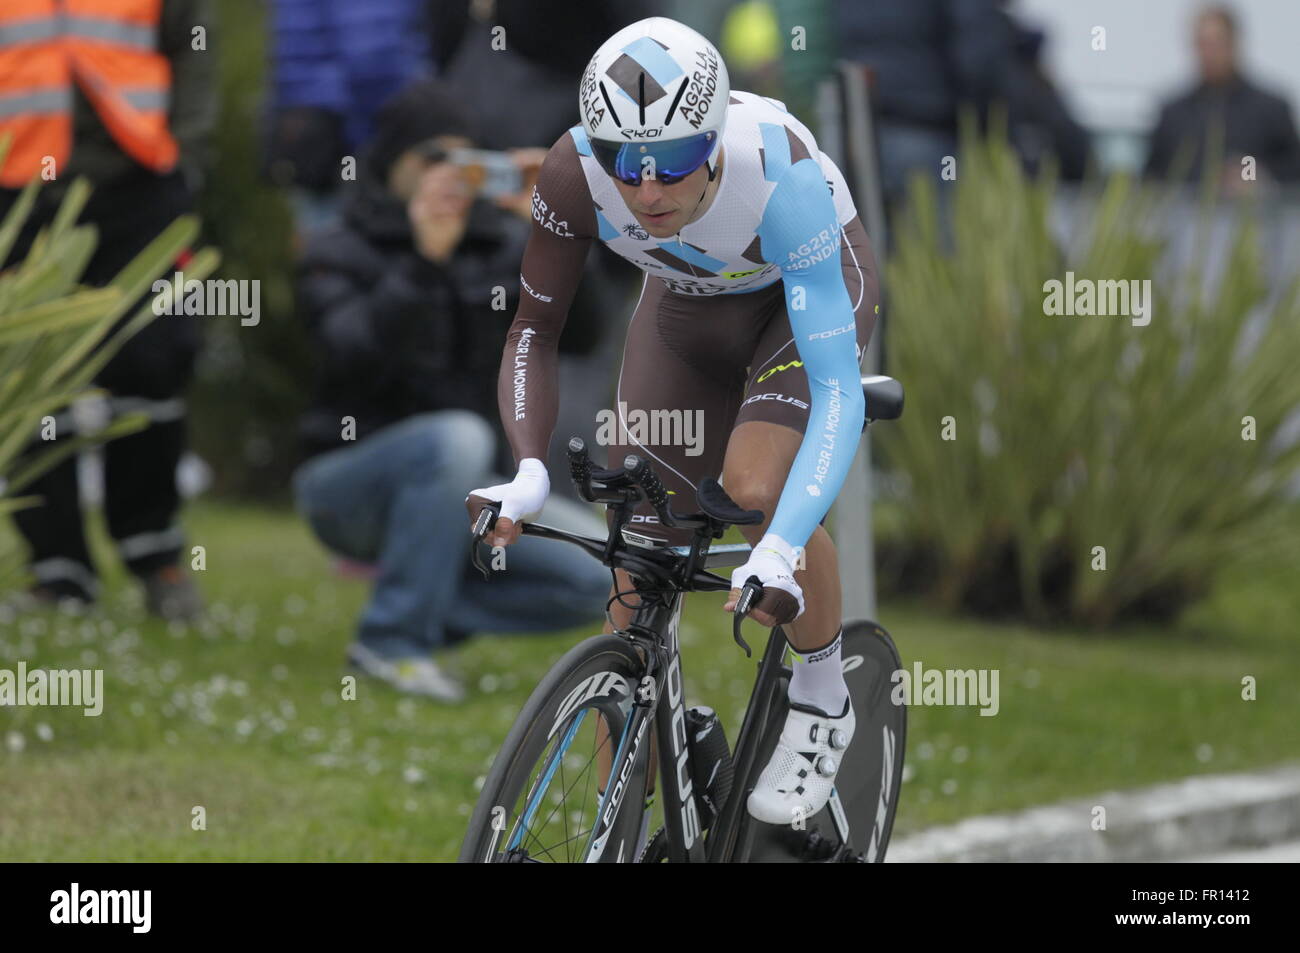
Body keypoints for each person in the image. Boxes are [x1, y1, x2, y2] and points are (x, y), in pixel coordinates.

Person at [466, 18, 881, 825]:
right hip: (688, 312)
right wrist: (527, 469)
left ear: (715, 136)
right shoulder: (569, 171)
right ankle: (617, 819)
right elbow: (532, 332)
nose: (648, 192)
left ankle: (825, 694)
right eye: (627, 165)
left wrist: (781, 545)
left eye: (675, 164)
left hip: (800, 307)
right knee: (636, 543)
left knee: (752, 491)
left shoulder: (780, 178)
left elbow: (838, 391)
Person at [292, 80, 611, 701]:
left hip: (465, 492)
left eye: (463, 159)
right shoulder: (338, 247)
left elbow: (583, 337)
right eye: (430, 157)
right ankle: (391, 640)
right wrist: (422, 264)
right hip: (345, 488)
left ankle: (423, 609)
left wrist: (556, 233)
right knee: (455, 437)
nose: (448, 175)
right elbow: (346, 357)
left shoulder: (496, 246)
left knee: (604, 570)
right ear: (392, 162)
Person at [0, 0, 216, 619]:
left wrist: (187, 148)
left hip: (139, 182)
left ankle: (157, 558)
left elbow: (195, 43)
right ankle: (58, 573)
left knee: (154, 364)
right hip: (19, 186)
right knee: (30, 377)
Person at [1145, 6, 1300, 189]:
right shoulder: (1173, 113)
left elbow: (1293, 171)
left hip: (1254, 215)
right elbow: (1151, 178)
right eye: (1203, 44)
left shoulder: (1271, 109)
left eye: (1217, 43)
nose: (1210, 54)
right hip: (1185, 214)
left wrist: (1263, 179)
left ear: (1234, 43)